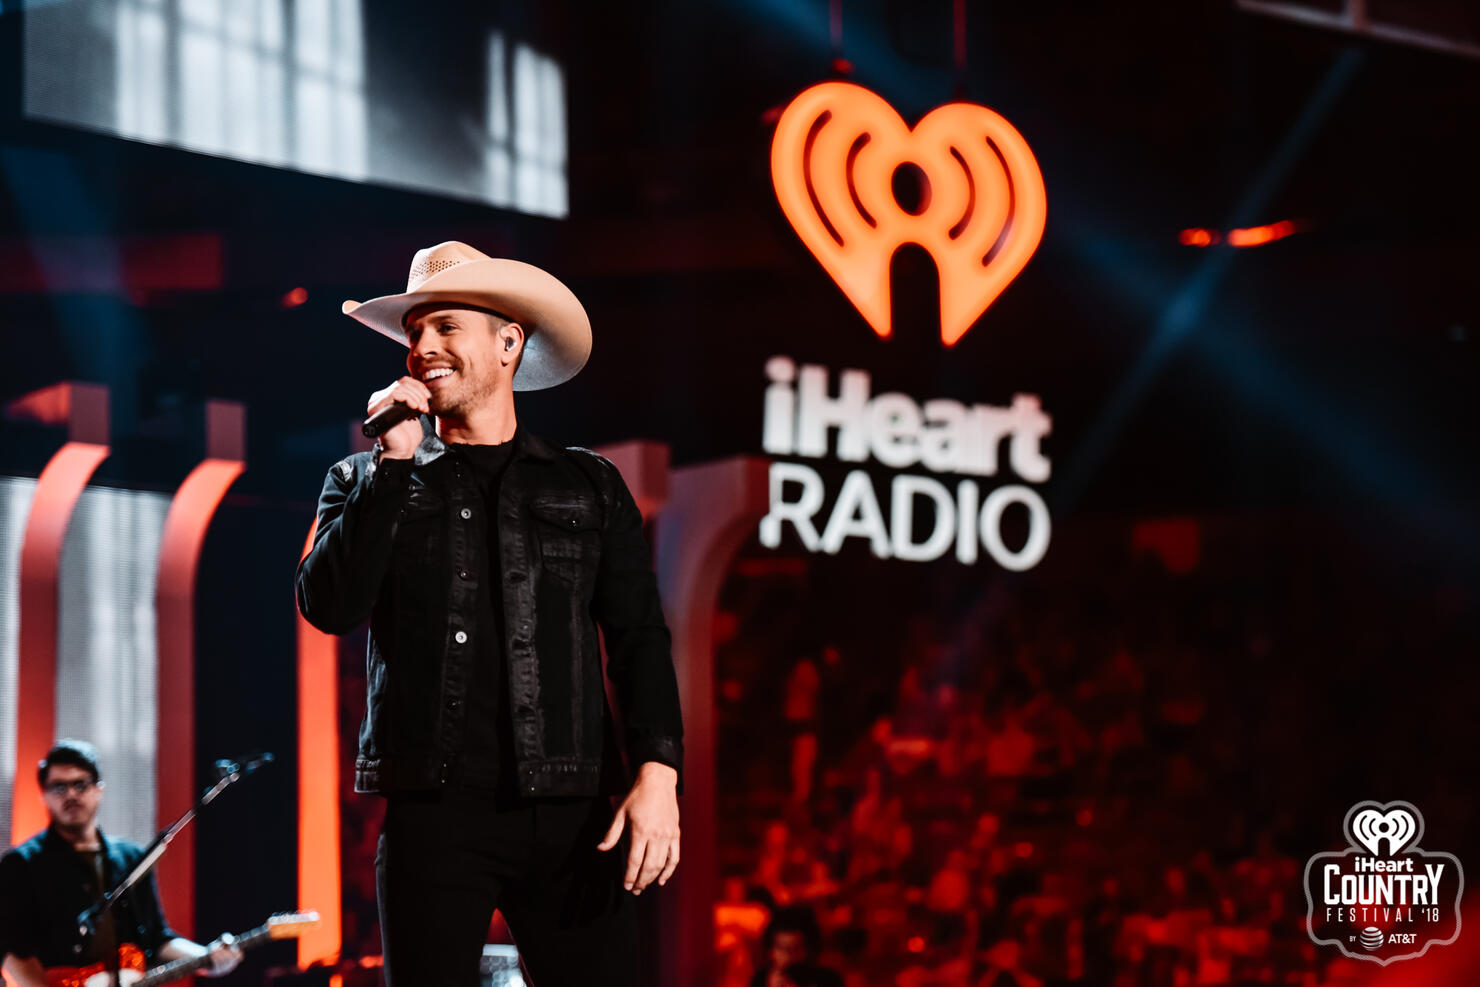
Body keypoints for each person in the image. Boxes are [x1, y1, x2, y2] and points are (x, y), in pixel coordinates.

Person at [296, 241, 684, 986]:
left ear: (509, 343)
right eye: (414, 334)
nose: (422, 349)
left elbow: (639, 636)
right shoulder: (363, 477)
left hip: (573, 811)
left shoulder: (588, 485)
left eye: (445, 327)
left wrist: (658, 773)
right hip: (433, 815)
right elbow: (329, 606)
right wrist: (392, 467)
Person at [0, 740, 243, 987]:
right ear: (44, 795)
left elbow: (158, 938)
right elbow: (10, 950)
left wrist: (206, 957)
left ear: (99, 789)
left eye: (80, 785)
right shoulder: (22, 863)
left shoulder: (132, 857)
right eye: (59, 787)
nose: (71, 795)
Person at [751, 907, 843, 987]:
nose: (787, 955)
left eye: (795, 948)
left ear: (808, 949)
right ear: (771, 951)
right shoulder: (761, 979)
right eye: (781, 947)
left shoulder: (827, 980)